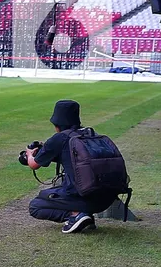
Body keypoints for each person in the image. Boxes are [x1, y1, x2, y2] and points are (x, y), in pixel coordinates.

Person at [26, 100, 118, 234]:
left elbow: (34, 164)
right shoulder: (89, 134)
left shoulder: (60, 138)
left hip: (87, 198)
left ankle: (76, 215)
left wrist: (29, 154)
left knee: (36, 206)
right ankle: (83, 215)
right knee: (63, 189)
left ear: (56, 123)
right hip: (107, 199)